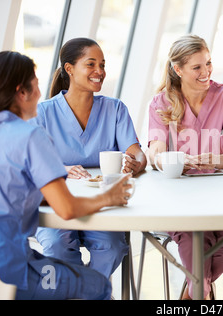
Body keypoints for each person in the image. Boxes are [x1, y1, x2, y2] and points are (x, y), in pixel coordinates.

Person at [0, 51, 135, 299]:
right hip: (14, 274)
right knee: (97, 286)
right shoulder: (28, 135)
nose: (40, 92)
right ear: (22, 91)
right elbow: (67, 210)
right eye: (36, 84)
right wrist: (109, 197)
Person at [29, 38, 146, 279]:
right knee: (57, 246)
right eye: (91, 64)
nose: (100, 72)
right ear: (69, 69)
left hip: (103, 205)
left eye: (102, 65)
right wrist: (60, 168)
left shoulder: (115, 109)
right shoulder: (43, 113)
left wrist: (136, 162)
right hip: (55, 204)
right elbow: (30, 163)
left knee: (113, 247)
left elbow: (136, 151)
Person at [147, 34, 223, 299]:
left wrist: (203, 161)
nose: (206, 72)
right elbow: (155, 151)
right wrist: (171, 160)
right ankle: (200, 292)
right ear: (178, 70)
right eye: (197, 67)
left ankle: (194, 291)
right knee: (192, 237)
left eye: (208, 63)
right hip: (178, 202)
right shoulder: (161, 103)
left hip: (222, 199)